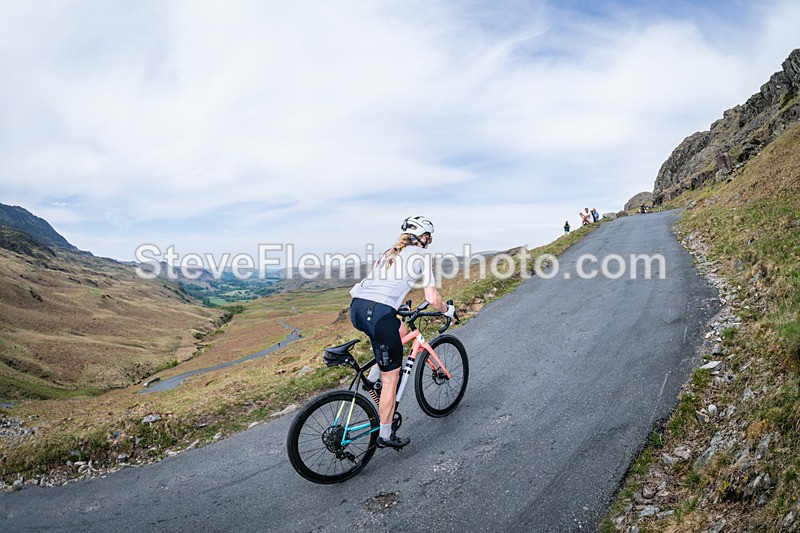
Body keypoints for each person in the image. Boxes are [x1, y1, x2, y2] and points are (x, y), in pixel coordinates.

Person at [349, 216, 455, 449]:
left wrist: (397, 308)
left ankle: (375, 378)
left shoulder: (391, 251)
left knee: (401, 328)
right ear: (423, 238)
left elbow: (383, 284)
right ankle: (385, 434)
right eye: (429, 237)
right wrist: (447, 310)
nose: (430, 242)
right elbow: (432, 298)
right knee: (392, 379)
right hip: (378, 314)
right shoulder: (424, 255)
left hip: (357, 308)